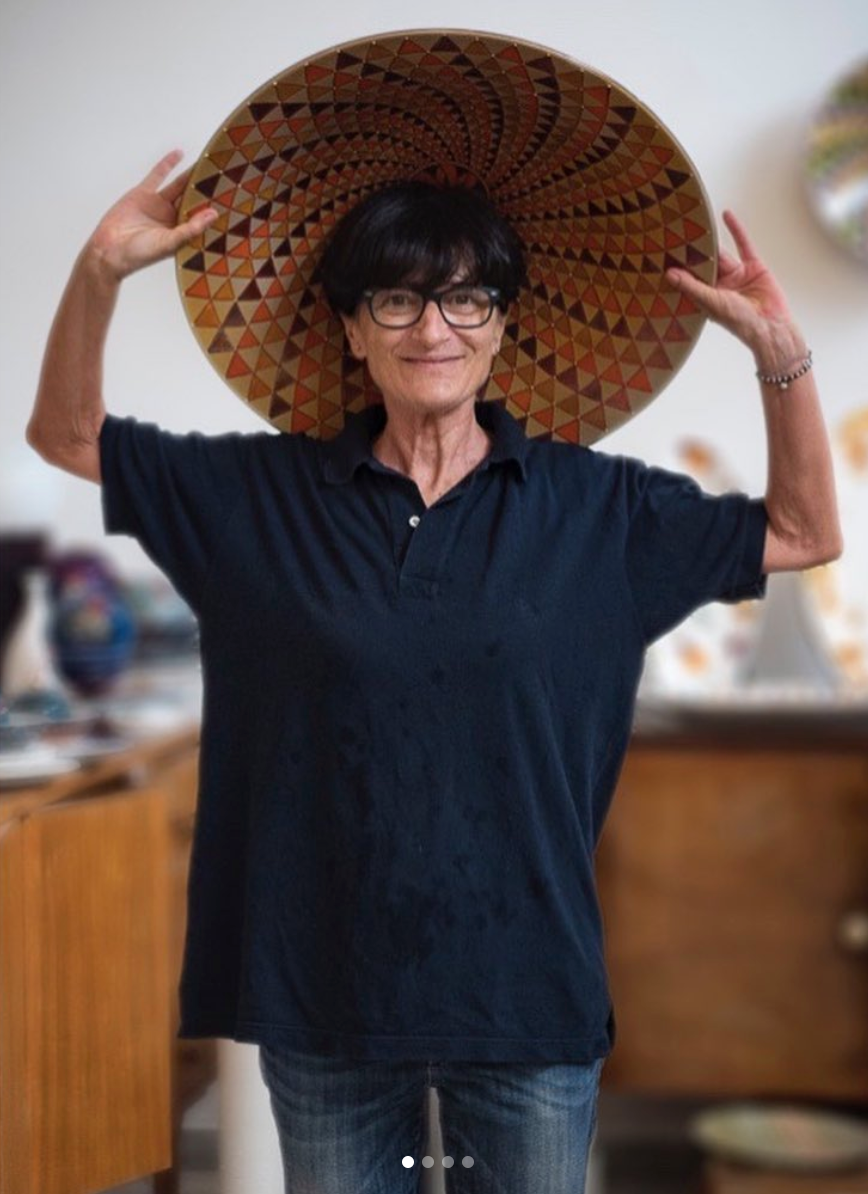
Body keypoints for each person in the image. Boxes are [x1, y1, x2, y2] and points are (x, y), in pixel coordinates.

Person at [28, 136, 841, 1194]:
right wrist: (98, 271)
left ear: (502, 325)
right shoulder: (258, 498)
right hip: (324, 999)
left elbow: (803, 531)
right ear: (351, 329)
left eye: (465, 300)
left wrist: (780, 352)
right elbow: (67, 435)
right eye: (397, 300)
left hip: (526, 1000)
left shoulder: (601, 510)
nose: (432, 329)